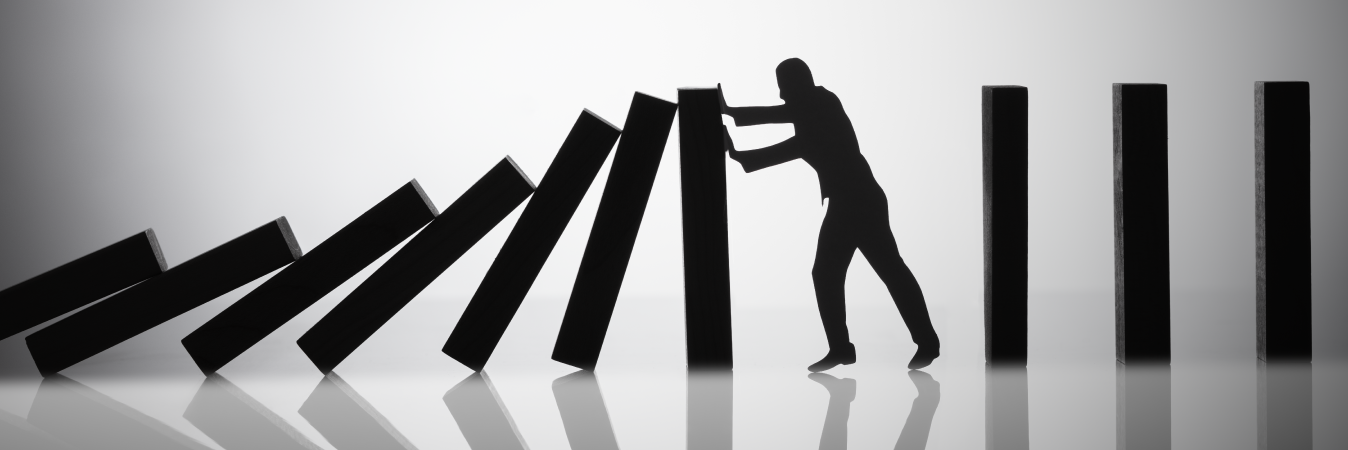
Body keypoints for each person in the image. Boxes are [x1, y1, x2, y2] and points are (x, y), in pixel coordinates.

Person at [720, 58, 939, 371]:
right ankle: (845, 347)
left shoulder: (819, 106)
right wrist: (736, 128)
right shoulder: (815, 108)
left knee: (884, 270)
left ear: (798, 84)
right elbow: (787, 125)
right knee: (847, 272)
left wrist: (739, 141)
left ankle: (916, 342)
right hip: (850, 200)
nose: (781, 95)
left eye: (783, 87)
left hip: (857, 201)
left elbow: (792, 140)